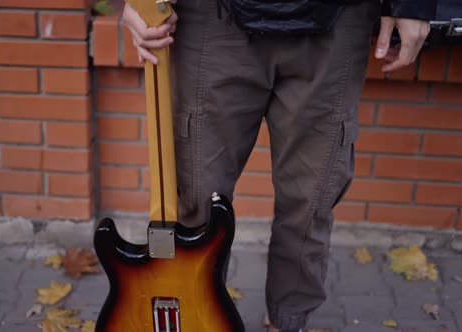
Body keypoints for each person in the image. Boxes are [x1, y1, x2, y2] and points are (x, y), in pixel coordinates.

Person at [122, 0, 435, 331]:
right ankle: (196, 316)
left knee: (311, 200)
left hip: (339, 18)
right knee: (194, 198)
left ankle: (288, 321)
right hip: (213, 19)